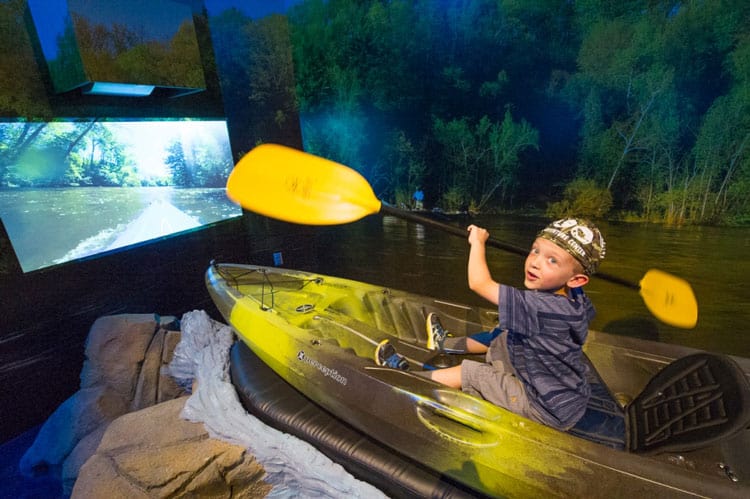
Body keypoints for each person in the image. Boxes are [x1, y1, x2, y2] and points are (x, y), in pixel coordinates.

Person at [375, 218, 606, 431]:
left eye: (552, 260)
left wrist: (477, 242)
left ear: (576, 279)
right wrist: (565, 268)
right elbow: (570, 297)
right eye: (535, 250)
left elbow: (479, 283)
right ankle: (443, 342)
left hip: (542, 407)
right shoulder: (578, 300)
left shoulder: (539, 307)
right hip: (570, 400)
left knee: (472, 373)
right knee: (507, 333)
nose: (535, 263)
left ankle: (404, 381)